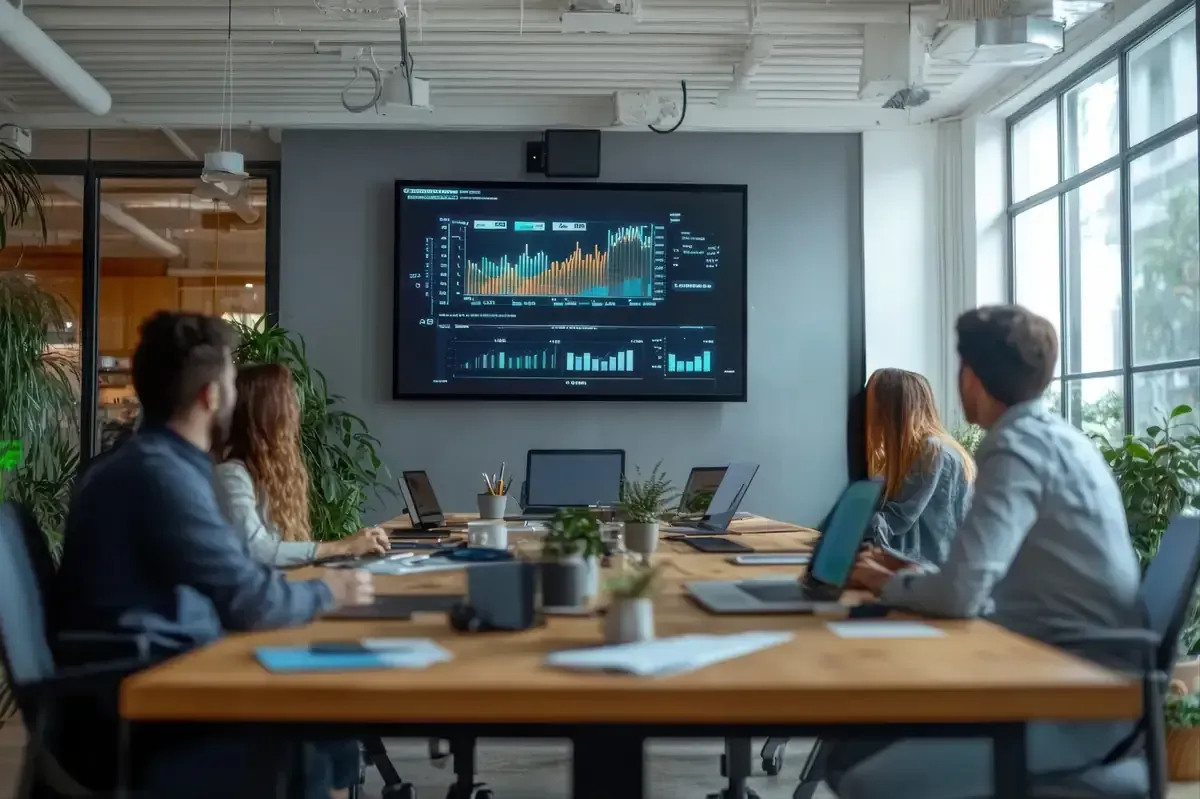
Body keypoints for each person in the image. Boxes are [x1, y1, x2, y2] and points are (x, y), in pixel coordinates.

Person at [51, 312, 375, 799]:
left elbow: (234, 580)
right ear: (211, 396)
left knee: (328, 733)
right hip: (147, 703)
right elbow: (248, 599)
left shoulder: (150, 464)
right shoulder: (162, 477)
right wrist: (330, 589)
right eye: (230, 382)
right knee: (312, 746)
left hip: (160, 674)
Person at [830, 305, 1142, 799]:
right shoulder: (1060, 439)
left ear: (970, 377)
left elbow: (960, 596)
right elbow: (990, 577)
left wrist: (882, 582)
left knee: (864, 776)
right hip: (1064, 675)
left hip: (1070, 699)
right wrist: (912, 570)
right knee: (855, 740)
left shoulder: (1015, 448)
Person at [214, 363, 389, 567]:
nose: (296, 411)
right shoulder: (230, 475)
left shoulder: (266, 472)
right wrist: (343, 546)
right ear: (269, 413)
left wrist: (353, 545)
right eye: (290, 402)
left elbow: (278, 549)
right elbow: (256, 549)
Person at [863, 368, 975, 567]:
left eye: (869, 405)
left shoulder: (931, 452)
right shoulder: (930, 450)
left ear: (890, 411)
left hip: (931, 576)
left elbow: (896, 520)